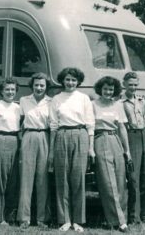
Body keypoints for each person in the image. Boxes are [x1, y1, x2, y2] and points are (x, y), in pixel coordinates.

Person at [48, 67, 94, 233]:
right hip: (61, 135)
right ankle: (65, 219)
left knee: (78, 178)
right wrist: (52, 150)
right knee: (62, 179)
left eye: (73, 80)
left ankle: (78, 220)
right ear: (62, 80)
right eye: (67, 79)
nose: (70, 83)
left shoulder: (84, 98)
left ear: (78, 82)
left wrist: (91, 148)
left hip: (80, 134)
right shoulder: (56, 99)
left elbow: (90, 123)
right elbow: (53, 125)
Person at [93, 76, 131, 233]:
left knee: (121, 180)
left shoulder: (118, 105)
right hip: (100, 139)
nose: (108, 92)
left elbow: (122, 128)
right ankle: (118, 221)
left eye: (111, 89)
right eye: (105, 89)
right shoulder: (92, 105)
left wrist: (126, 150)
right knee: (108, 181)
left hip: (115, 139)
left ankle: (122, 217)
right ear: (100, 89)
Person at [17, 73, 52, 229]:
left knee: (42, 179)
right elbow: (19, 122)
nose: (39, 88)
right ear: (32, 86)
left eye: (42, 85)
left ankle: (42, 218)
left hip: (45, 136)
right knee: (26, 178)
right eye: (36, 85)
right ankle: (24, 218)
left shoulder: (51, 102)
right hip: (28, 136)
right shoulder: (24, 100)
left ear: (46, 87)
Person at [0, 78, 21, 225]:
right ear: (1, 91)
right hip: (0, 141)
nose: (10, 92)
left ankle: (10, 215)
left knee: (13, 182)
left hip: (15, 142)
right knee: (0, 181)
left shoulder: (18, 107)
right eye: (7, 89)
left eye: (13, 89)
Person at [120, 72, 145, 224]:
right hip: (131, 136)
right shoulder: (120, 102)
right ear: (124, 84)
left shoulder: (142, 100)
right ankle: (134, 216)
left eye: (135, 84)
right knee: (134, 177)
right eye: (130, 84)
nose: (133, 87)